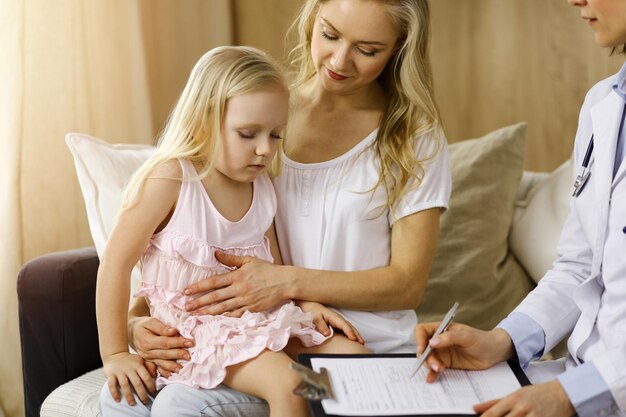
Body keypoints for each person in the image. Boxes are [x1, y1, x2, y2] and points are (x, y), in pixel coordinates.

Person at [108, 0, 452, 415]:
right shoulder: (264, 108)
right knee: (159, 402)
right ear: (312, 19)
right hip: (259, 340)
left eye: (367, 49)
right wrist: (133, 327)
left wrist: (289, 286)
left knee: (300, 384)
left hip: (353, 343)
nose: (340, 60)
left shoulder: (413, 138)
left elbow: (407, 284)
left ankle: (346, 394)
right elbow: (184, 258)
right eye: (329, 35)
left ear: (399, 48)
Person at [97, 45, 370, 417]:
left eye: (275, 134)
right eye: (248, 134)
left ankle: (316, 396)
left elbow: (273, 267)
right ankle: (295, 393)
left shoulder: (262, 188)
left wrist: (308, 304)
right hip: (199, 334)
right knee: (289, 386)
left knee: (357, 362)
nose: (265, 150)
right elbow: (114, 263)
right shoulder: (171, 178)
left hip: (259, 322)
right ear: (202, 123)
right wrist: (114, 353)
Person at [414, 0, 626, 416]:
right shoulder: (604, 104)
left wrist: (571, 396)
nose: (575, 0)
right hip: (579, 379)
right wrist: (502, 341)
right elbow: (580, 266)